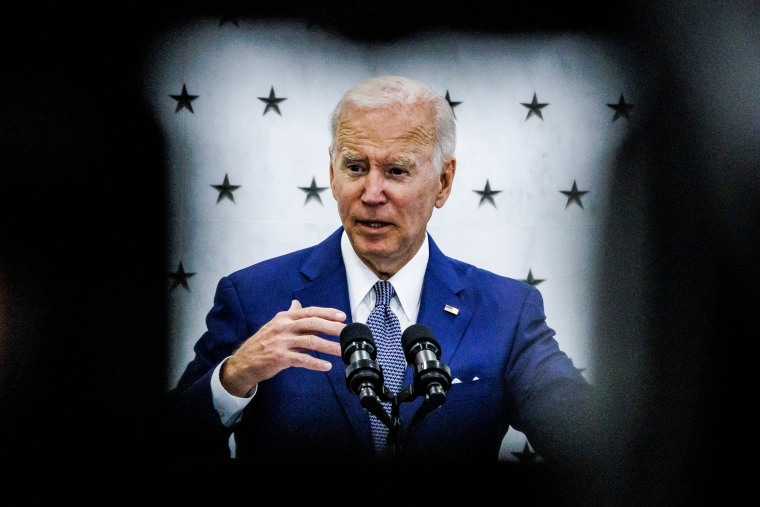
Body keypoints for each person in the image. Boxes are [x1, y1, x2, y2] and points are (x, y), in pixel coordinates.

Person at [167, 75, 597, 474]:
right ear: (332, 173)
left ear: (443, 182)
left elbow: (588, 442)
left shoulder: (507, 311)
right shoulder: (253, 297)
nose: (372, 194)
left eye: (396, 171)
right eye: (355, 167)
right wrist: (232, 378)